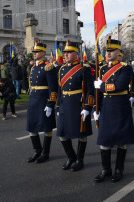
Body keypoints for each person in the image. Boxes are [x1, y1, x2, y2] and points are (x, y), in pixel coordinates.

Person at [93, 38, 134, 183]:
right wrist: (95, 108)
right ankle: (106, 169)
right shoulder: (102, 68)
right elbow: (98, 92)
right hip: (106, 107)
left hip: (120, 107)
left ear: (118, 52)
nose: (108, 53)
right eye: (107, 51)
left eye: (111, 51)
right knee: (104, 140)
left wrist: (102, 86)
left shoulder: (125, 68)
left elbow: (120, 85)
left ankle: (119, 169)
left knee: (121, 141)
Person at [56, 40, 94, 172]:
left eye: (69, 52)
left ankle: (79, 160)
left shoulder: (84, 69)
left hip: (78, 104)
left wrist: (88, 107)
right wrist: (57, 106)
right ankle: (71, 157)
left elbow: (90, 89)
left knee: (81, 133)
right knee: (61, 133)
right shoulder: (61, 69)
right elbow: (60, 89)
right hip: (65, 105)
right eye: (65, 52)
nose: (65, 54)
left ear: (75, 53)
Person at [26, 41, 58, 163]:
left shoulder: (48, 67)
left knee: (46, 127)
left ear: (43, 53)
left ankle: (45, 153)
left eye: (37, 51)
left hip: (43, 100)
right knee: (31, 127)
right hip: (33, 99)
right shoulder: (34, 67)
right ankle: (37, 150)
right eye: (34, 52)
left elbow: (53, 88)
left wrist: (50, 104)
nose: (34, 53)